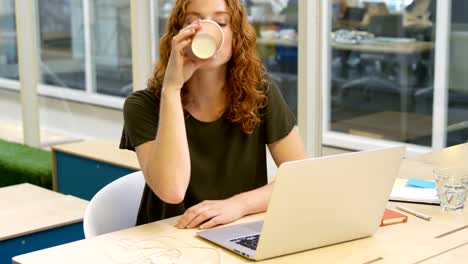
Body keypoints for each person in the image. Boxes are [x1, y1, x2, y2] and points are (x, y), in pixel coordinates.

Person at [120, 0, 306, 230]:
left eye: (220, 22)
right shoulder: (142, 106)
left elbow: (301, 178)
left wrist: (238, 205)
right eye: (193, 22)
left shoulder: (261, 94)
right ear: (178, 36)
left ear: (236, 35)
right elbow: (172, 190)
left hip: (238, 229)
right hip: (169, 237)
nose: (207, 30)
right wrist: (171, 89)